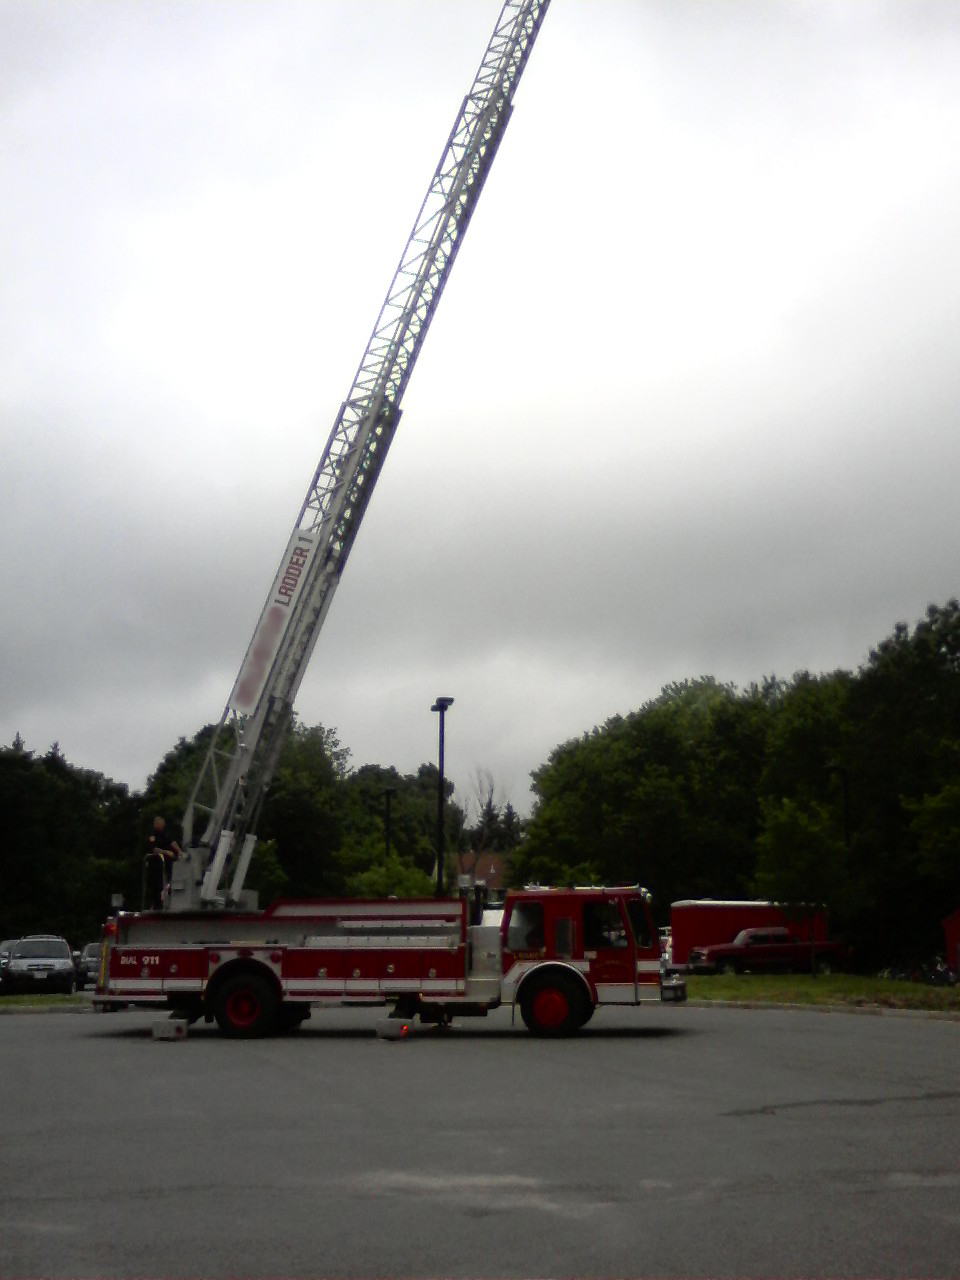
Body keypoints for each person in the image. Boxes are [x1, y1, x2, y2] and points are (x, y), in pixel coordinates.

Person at [144, 816, 182, 910]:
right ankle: (157, 905)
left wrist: (179, 851)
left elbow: (172, 842)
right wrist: (167, 852)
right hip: (156, 865)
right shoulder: (152, 835)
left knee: (169, 883)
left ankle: (168, 902)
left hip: (167, 865)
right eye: (159, 824)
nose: (161, 826)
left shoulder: (166, 833)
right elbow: (154, 849)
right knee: (156, 886)